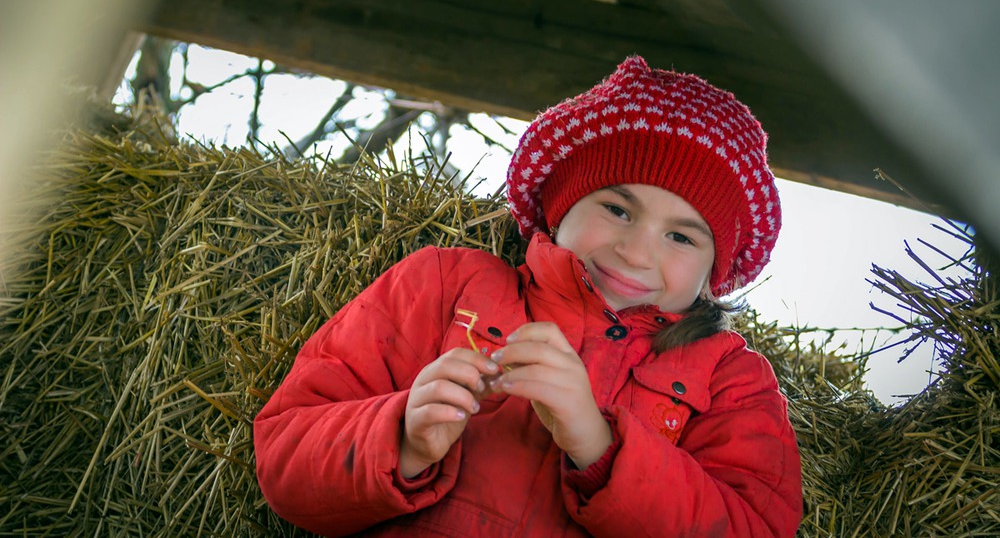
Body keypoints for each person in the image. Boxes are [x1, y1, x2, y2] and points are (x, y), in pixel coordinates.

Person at [253, 55, 803, 537]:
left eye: (681, 237)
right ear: (561, 206)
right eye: (617, 209)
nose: (637, 253)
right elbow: (285, 455)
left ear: (714, 269)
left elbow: (751, 526)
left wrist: (601, 449)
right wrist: (402, 438)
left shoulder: (730, 378)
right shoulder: (446, 285)